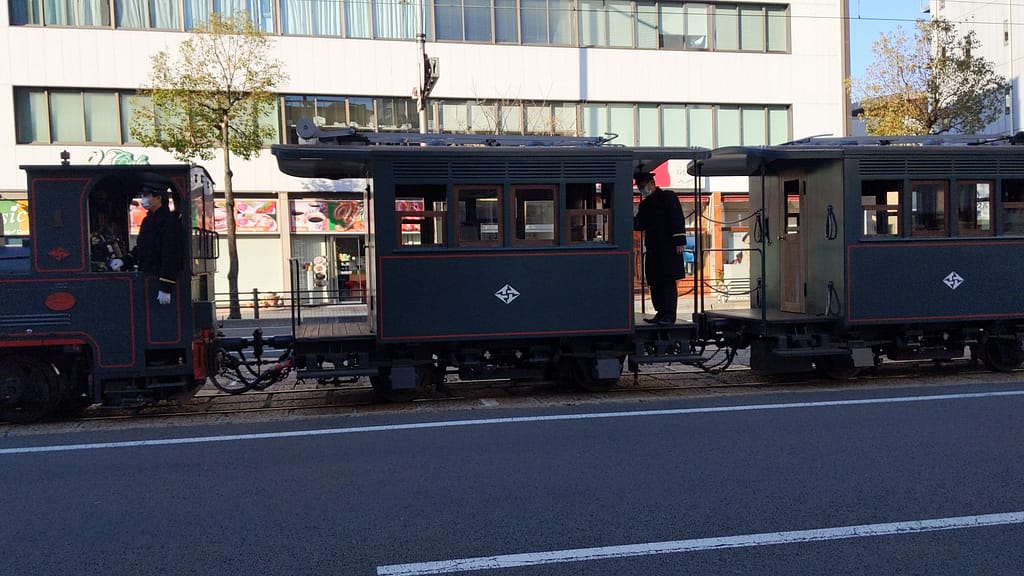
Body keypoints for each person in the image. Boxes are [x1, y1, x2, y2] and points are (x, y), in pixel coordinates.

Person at [112, 178, 182, 305]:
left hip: (158, 279)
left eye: (146, 195)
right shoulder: (148, 221)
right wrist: (124, 260)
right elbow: (141, 248)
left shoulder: (170, 223)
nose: (143, 199)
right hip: (147, 277)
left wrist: (165, 287)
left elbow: (171, 255)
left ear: (158, 198)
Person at [633, 171, 686, 325]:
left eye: (643, 186)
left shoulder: (667, 197)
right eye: (639, 187)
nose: (642, 190)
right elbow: (640, 224)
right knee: (654, 280)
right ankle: (660, 312)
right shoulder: (645, 204)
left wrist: (679, 241)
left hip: (669, 248)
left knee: (667, 280)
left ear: (651, 183)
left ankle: (669, 315)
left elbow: (677, 218)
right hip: (653, 248)